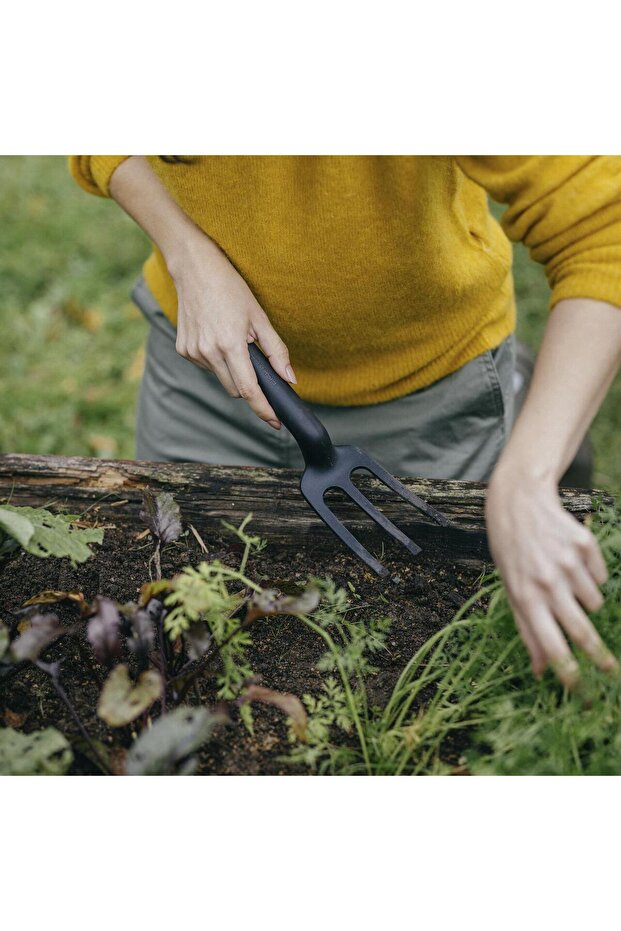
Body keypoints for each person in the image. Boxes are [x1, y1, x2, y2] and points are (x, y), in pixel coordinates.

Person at [69, 155, 621, 689]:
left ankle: (539, 414)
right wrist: (185, 251)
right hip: (207, 368)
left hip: (424, 391)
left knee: (430, 654)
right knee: (188, 638)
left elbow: (605, 233)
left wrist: (525, 480)